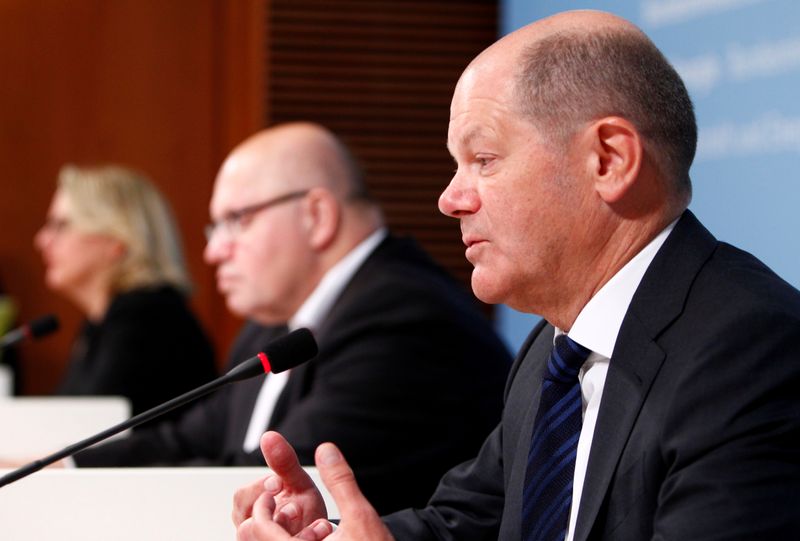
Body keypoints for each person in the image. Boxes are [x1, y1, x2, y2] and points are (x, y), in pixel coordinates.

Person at [231, 10, 800, 541]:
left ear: (609, 160)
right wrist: (333, 534)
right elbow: (468, 520)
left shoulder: (750, 350)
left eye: (484, 159)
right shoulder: (553, 352)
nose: (449, 199)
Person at [71, 122, 512, 515]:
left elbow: (273, 482)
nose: (213, 252)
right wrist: (61, 466)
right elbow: (192, 439)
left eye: (235, 221)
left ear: (316, 216)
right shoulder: (273, 322)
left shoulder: (406, 319)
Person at [35, 164, 217, 417]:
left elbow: (89, 428)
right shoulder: (102, 321)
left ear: (117, 239)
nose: (42, 239)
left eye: (61, 225)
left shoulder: (148, 320)